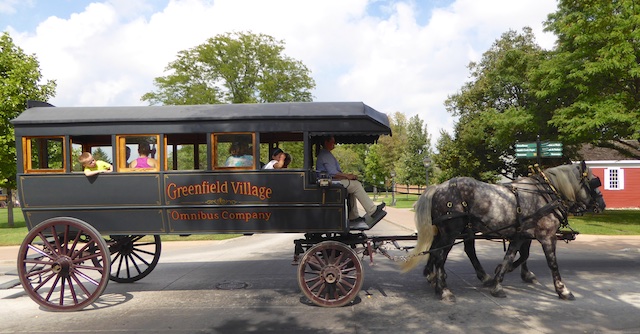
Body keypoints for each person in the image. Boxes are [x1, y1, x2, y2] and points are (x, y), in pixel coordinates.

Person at [316, 136, 386, 229]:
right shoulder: (325, 155)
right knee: (356, 185)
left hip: (329, 182)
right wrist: (347, 176)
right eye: (332, 142)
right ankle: (372, 210)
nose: (334, 145)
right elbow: (333, 173)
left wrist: (348, 176)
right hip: (330, 183)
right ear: (326, 142)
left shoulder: (325, 154)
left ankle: (353, 217)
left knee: (352, 187)